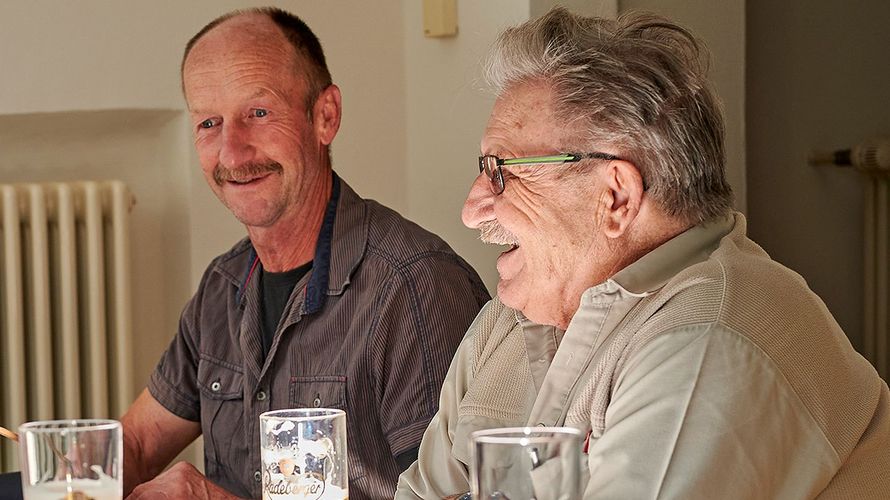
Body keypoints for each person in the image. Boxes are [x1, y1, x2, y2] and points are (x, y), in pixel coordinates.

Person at [397, 8, 890, 499]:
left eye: (501, 170)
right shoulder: (505, 323)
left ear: (616, 197)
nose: (471, 209)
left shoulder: (706, 338)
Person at [121, 7, 489, 500]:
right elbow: (138, 443)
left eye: (258, 112)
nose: (232, 153)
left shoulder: (413, 285)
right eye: (209, 122)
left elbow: (457, 497)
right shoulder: (223, 285)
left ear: (325, 116)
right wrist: (76, 471)